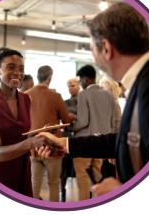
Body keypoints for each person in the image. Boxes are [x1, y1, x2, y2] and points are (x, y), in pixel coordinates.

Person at [35, 2, 149, 197]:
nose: (94, 58)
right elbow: (123, 138)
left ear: (106, 48)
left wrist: (122, 192)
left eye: (92, 49)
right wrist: (64, 144)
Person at [0, 50, 62, 196]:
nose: (17, 73)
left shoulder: (26, 100)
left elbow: (21, 137)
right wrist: (32, 143)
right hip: (0, 176)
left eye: (21, 69)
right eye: (11, 67)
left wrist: (40, 133)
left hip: (24, 171)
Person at [65, 64, 115, 201]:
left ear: (86, 79)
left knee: (82, 182)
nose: (80, 84)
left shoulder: (84, 94)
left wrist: (68, 128)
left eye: (80, 81)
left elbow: (83, 122)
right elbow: (111, 124)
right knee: (97, 180)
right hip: (101, 144)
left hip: (84, 143)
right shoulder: (109, 96)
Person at [25, 65, 75, 202]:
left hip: (34, 146)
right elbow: (65, 121)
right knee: (53, 184)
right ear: (50, 78)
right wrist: (71, 116)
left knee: (34, 183)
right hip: (53, 146)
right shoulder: (56, 96)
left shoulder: (27, 95)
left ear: (37, 77)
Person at [60, 77, 80, 202]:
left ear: (79, 86)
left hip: (79, 136)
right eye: (68, 86)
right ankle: (63, 193)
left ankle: (84, 195)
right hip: (66, 136)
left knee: (80, 168)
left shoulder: (84, 101)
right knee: (64, 168)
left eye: (72, 85)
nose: (70, 88)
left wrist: (72, 117)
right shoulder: (64, 102)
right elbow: (62, 119)